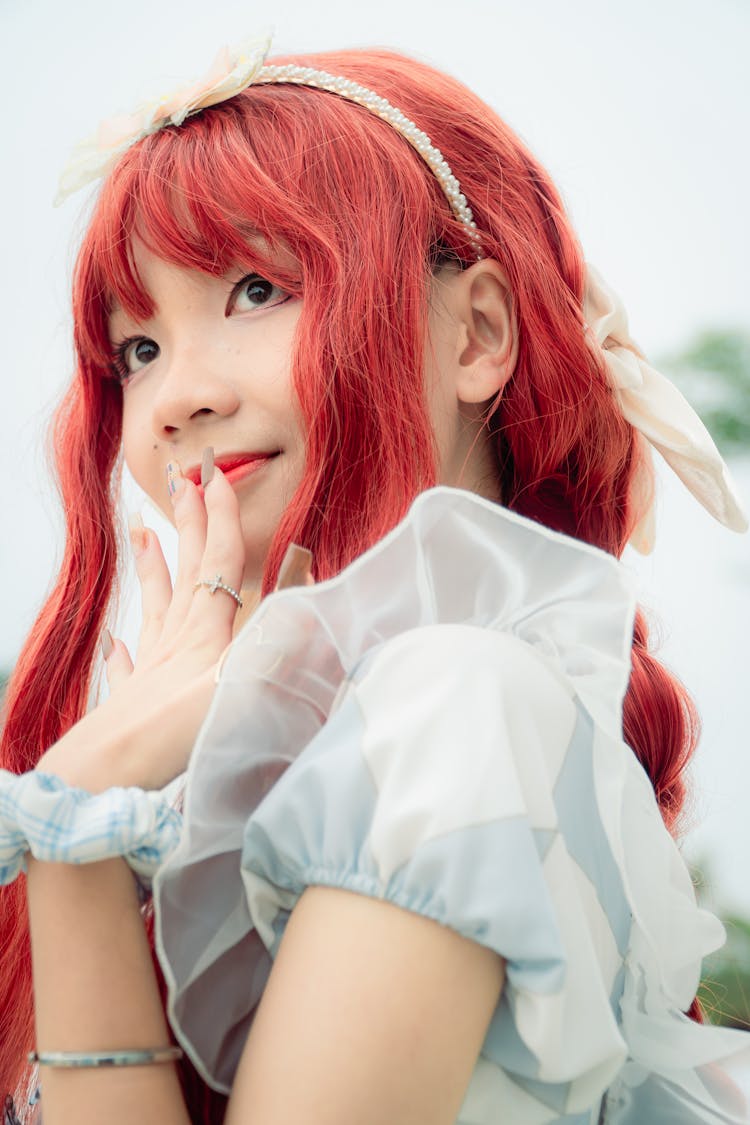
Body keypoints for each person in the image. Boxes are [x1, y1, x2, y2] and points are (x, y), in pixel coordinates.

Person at [0, 35, 748, 1125]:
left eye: (256, 288)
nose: (171, 401)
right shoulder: (201, 782)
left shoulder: (458, 710)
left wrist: (74, 835)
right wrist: (92, 823)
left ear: (478, 332)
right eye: (137, 350)